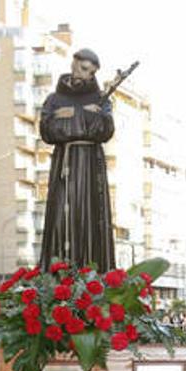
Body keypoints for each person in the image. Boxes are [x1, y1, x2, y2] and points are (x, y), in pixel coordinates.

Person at [38, 48, 115, 271]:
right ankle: (59, 274)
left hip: (91, 166)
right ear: (73, 63)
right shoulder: (53, 99)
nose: (86, 75)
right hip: (65, 162)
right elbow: (47, 131)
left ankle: (92, 275)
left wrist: (69, 116)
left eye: (91, 72)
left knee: (92, 220)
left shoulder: (101, 99)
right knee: (61, 218)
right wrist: (86, 117)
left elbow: (105, 130)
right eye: (83, 68)